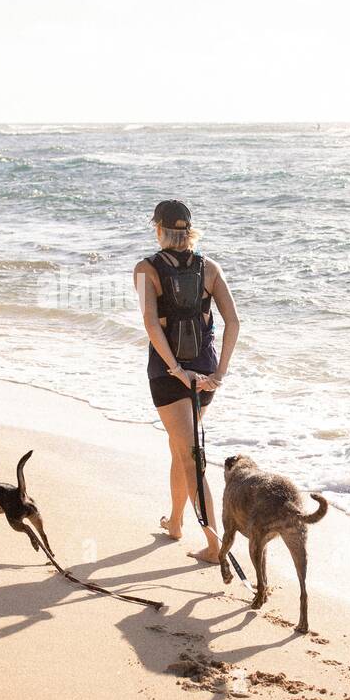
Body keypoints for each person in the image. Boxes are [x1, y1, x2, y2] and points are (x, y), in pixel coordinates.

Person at [134, 200, 240, 563]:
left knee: (190, 455)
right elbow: (234, 323)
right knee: (181, 448)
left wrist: (178, 371)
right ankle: (176, 522)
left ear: (158, 228)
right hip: (206, 373)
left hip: (169, 374)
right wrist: (219, 373)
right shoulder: (209, 268)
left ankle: (214, 546)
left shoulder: (146, 269)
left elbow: (151, 324)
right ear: (190, 229)